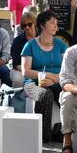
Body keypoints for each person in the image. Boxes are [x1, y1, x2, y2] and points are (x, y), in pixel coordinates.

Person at [21, 10, 68, 141]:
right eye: (52, 23)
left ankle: (64, 130)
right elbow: (26, 71)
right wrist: (46, 75)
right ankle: (44, 134)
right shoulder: (29, 45)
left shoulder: (61, 45)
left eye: (56, 24)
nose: (56, 26)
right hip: (32, 83)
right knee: (45, 94)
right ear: (42, 25)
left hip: (57, 81)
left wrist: (54, 80)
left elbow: (67, 70)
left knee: (68, 93)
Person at [9, 13, 37, 86]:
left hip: (38, 69)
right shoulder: (17, 41)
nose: (27, 27)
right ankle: (16, 97)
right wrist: (28, 72)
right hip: (20, 69)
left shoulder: (41, 38)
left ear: (34, 24)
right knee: (18, 80)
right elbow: (16, 64)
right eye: (24, 25)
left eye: (30, 24)